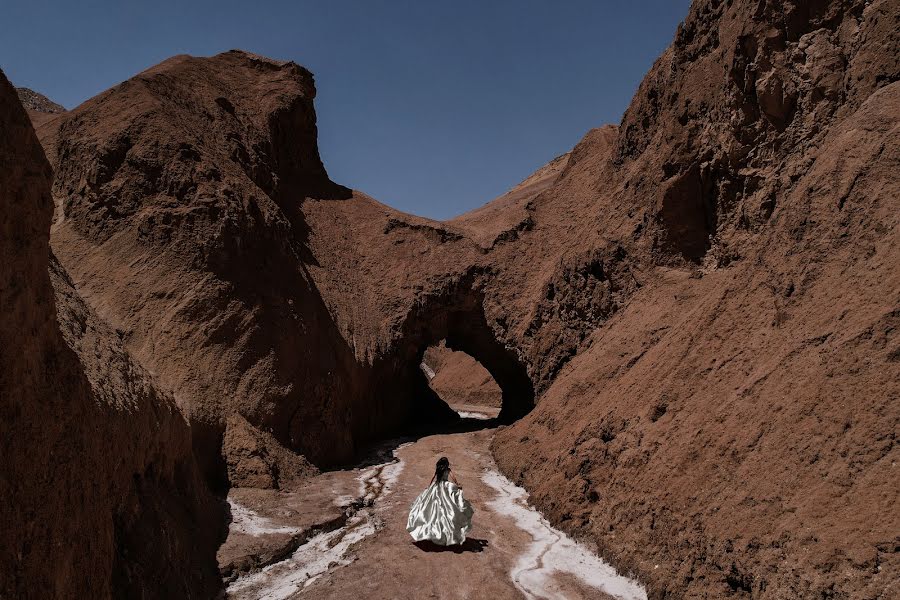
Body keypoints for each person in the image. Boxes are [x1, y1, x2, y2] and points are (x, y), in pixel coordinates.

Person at [406, 457, 474, 546]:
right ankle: (446, 534)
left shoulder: (438, 470)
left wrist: (429, 486)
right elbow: (453, 478)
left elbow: (433, 478)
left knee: (432, 509)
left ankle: (432, 532)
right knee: (448, 508)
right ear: (447, 464)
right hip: (446, 486)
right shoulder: (448, 469)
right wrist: (457, 485)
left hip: (437, 486)